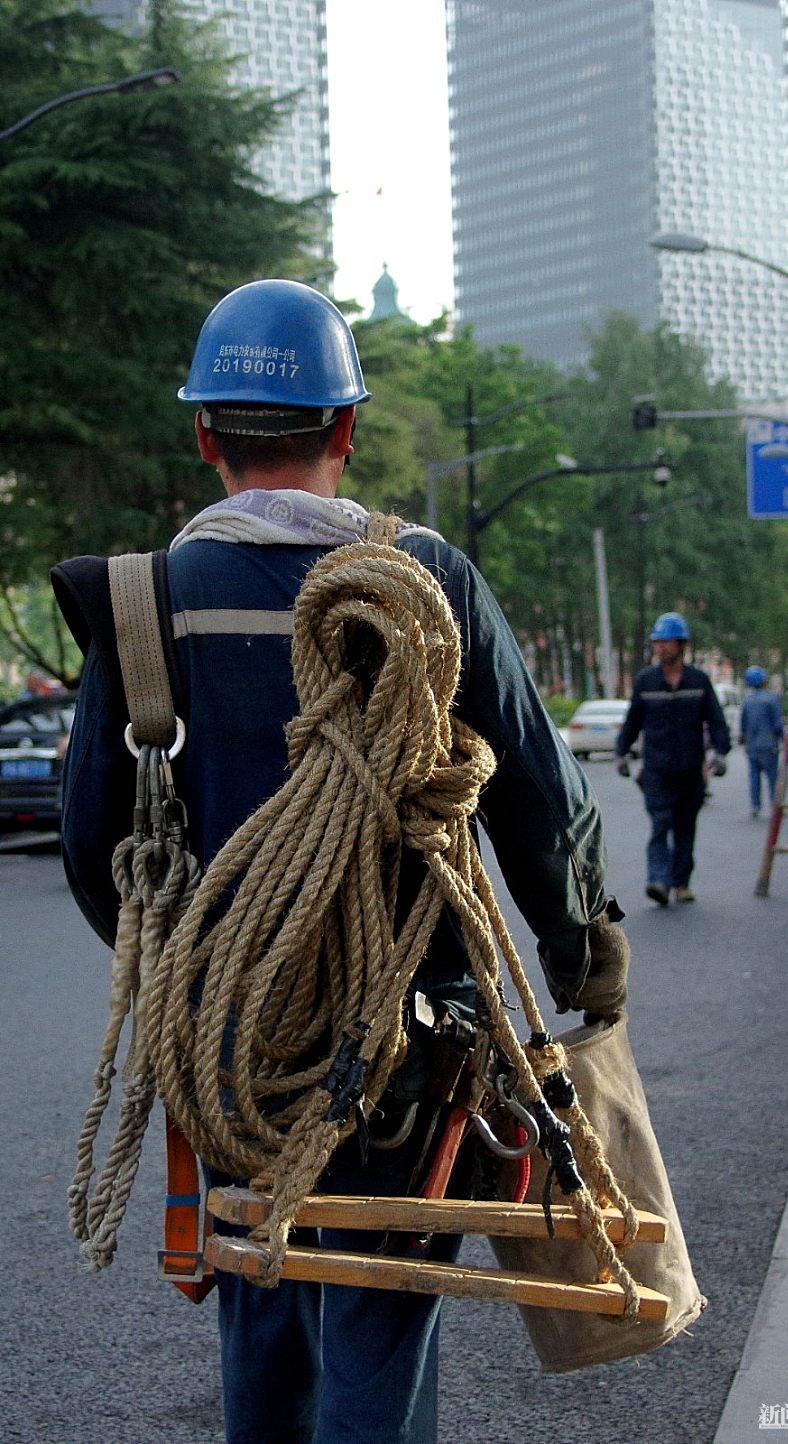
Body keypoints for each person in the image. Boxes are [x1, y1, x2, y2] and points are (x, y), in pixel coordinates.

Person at [52, 279, 628, 1444]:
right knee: (379, 1320)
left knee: (266, 1315)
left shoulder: (144, 605)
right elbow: (535, 797)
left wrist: (209, 975)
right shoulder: (430, 587)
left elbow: (93, 846)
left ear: (204, 435)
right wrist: (584, 952)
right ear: (349, 431)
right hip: (407, 1057)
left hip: (233, 1063)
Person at [613, 610, 730, 907]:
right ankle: (659, 881)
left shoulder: (698, 681)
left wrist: (720, 751)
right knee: (660, 824)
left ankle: (681, 883)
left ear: (681, 645)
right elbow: (632, 721)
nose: (660, 648)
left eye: (666, 642)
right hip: (657, 770)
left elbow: (716, 721)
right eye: (657, 642)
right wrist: (621, 752)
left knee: (685, 827)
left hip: (691, 771)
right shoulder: (646, 681)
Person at [740, 665, 783, 818]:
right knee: (772, 777)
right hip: (769, 744)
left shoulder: (747, 700)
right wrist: (781, 738)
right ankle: (776, 805)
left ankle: (755, 805)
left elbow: (743, 724)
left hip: (752, 746)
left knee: (754, 777)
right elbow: (777, 724)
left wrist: (744, 740)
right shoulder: (771, 699)